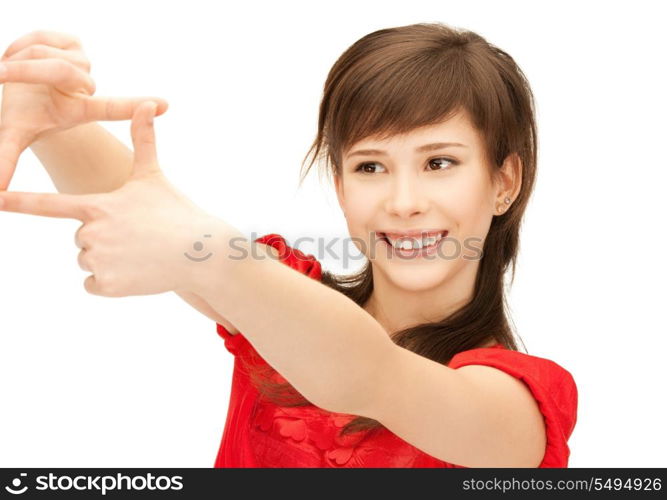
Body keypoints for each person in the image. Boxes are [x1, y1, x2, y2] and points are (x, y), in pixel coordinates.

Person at [0, 23, 578, 468]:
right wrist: (52, 117)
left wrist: (205, 254)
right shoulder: (283, 298)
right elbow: (145, 209)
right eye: (371, 165)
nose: (404, 202)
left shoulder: (520, 402)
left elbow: (366, 371)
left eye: (439, 162)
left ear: (504, 181)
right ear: (342, 186)